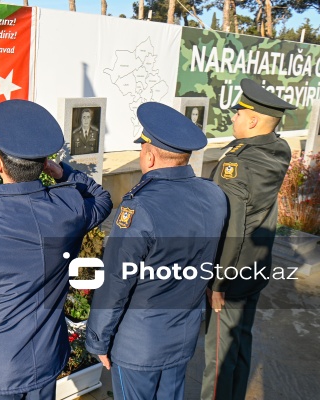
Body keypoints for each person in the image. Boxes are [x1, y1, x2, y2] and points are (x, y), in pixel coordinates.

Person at [0, 100, 112, 399]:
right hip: (48, 359)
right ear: (43, 165)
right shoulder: (68, 207)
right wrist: (62, 172)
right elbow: (101, 198)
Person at [85, 102, 227, 400]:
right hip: (182, 338)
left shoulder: (140, 207)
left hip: (138, 346)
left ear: (149, 155)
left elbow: (115, 282)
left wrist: (98, 340)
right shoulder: (214, 195)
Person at [201, 79, 297, 400]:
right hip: (257, 267)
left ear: (253, 120)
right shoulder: (277, 149)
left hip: (232, 273)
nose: (233, 118)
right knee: (241, 343)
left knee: (218, 357)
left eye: (238, 113)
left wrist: (218, 283)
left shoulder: (237, 164)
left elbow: (234, 228)